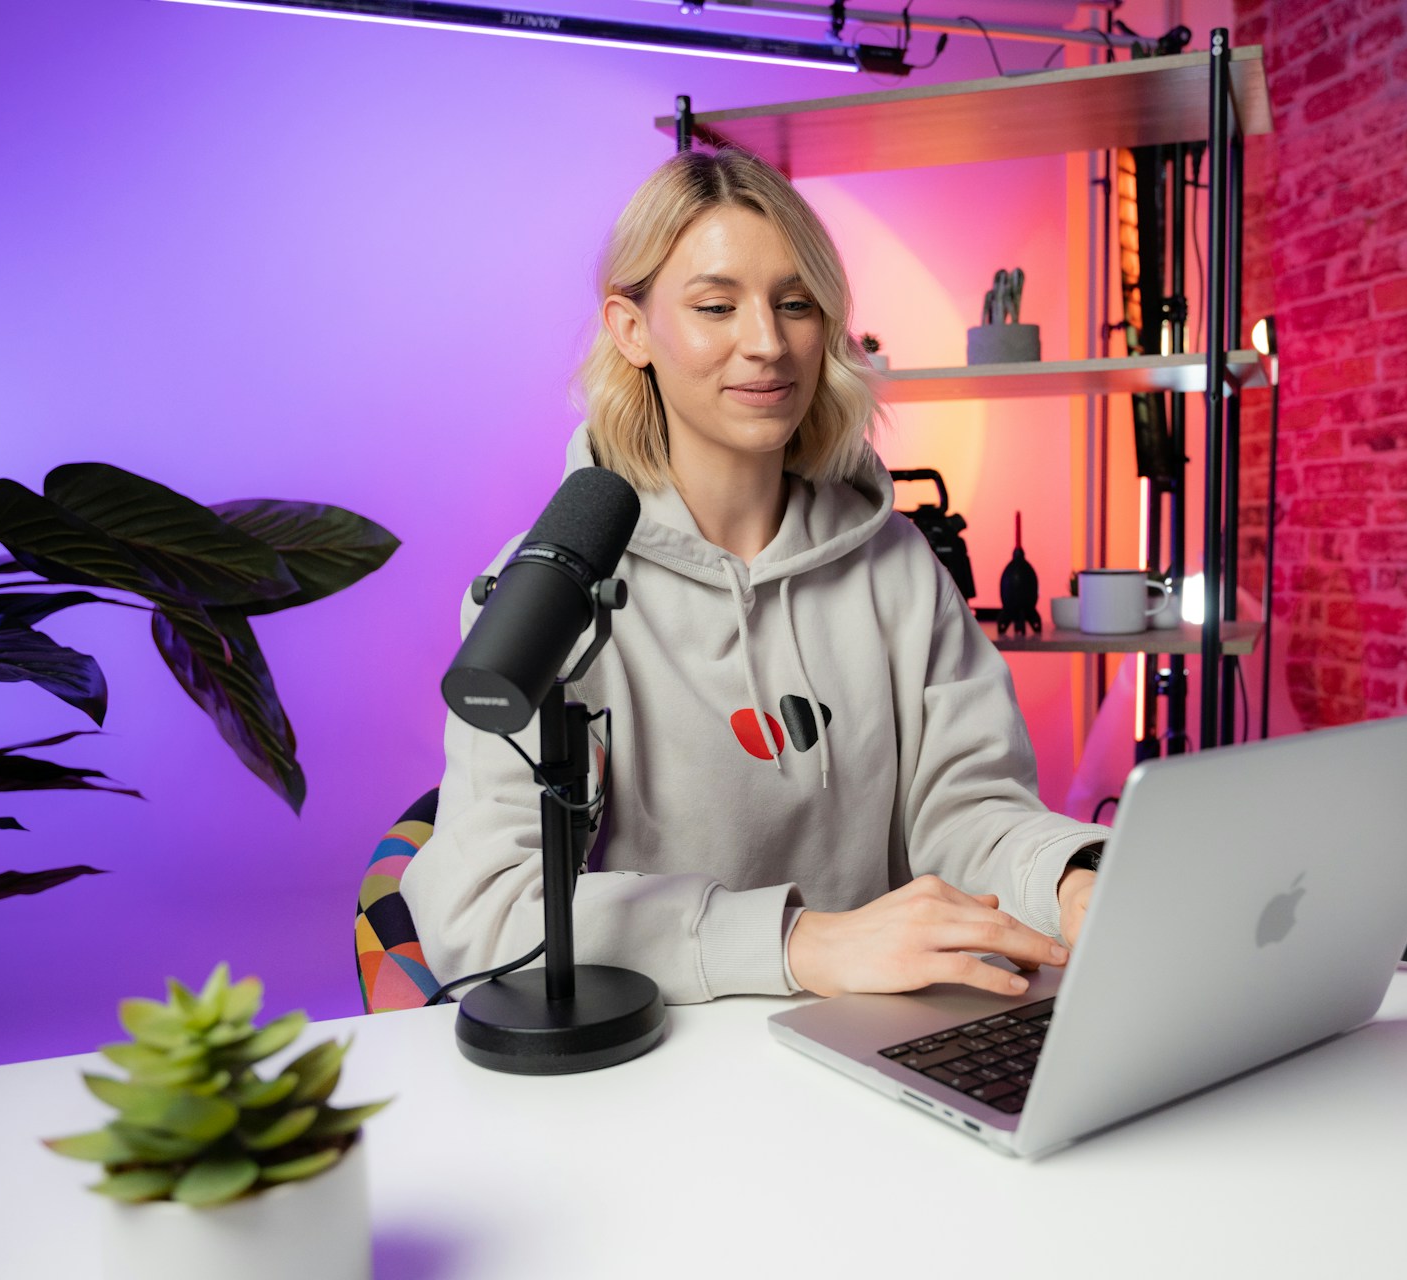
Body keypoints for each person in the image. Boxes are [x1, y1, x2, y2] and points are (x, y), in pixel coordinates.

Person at [401, 148, 1109, 1005]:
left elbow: (966, 814)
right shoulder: (553, 588)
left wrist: (1070, 885)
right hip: (662, 1068)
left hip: (875, 1044)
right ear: (631, 329)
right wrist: (800, 945)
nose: (769, 344)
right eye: (714, 306)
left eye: (796, 303)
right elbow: (487, 911)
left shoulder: (897, 568)